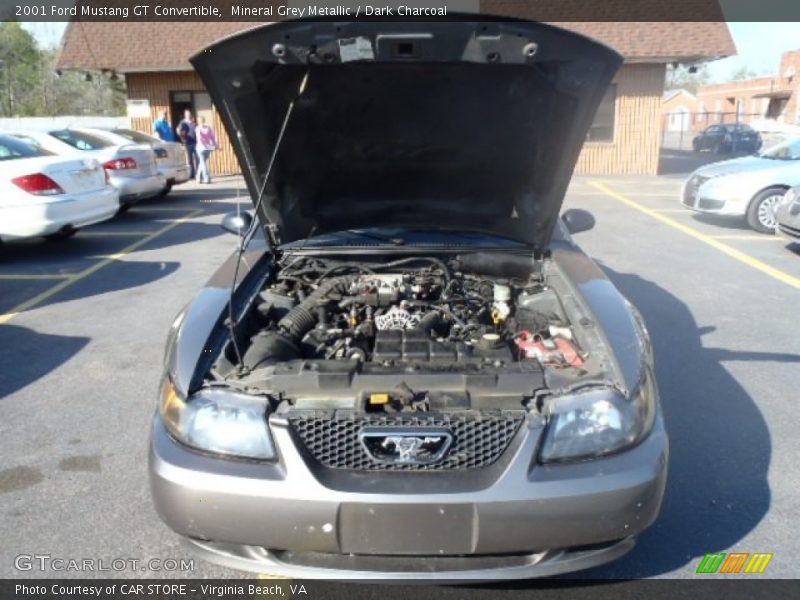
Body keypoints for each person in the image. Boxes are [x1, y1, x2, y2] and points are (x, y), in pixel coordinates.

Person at [195, 116, 218, 184]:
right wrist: (215, 145)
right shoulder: (208, 127)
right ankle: (199, 177)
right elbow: (212, 137)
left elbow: (199, 138)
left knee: (203, 163)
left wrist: (206, 145)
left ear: (198, 121)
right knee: (203, 162)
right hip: (208, 147)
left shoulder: (198, 128)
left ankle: (206, 178)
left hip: (201, 147)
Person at [176, 109, 197, 179]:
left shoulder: (193, 121)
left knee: (198, 158)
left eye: (189, 114)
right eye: (187, 114)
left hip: (196, 142)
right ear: (185, 115)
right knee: (190, 159)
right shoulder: (182, 122)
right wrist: (182, 138)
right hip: (188, 143)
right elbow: (178, 130)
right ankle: (192, 174)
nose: (188, 115)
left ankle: (198, 173)